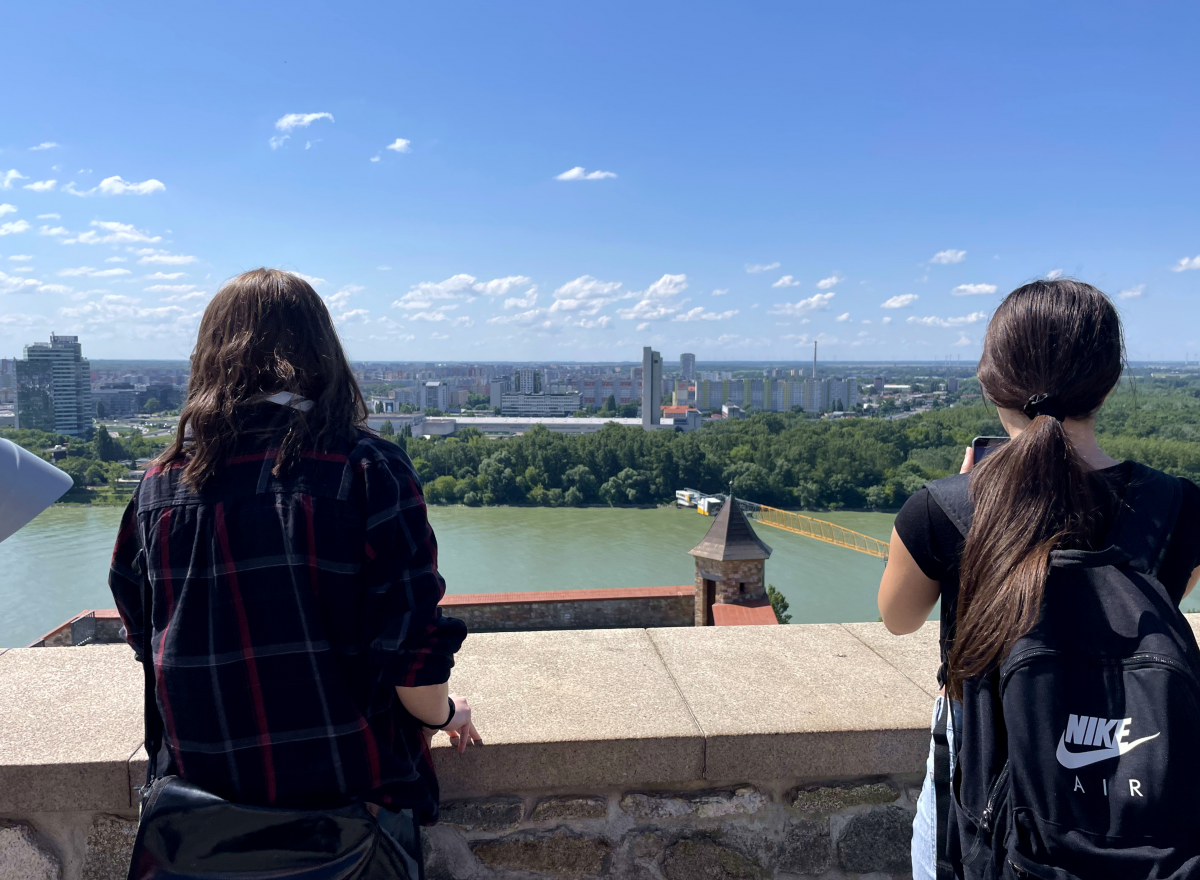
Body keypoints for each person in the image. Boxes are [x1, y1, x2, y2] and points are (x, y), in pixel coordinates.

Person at [108, 268, 479, 877]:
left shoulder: (160, 485)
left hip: (201, 823)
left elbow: (145, 631)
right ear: (321, 351)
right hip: (347, 817)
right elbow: (412, 651)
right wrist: (446, 714)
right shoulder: (366, 468)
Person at [876, 279, 1200, 879]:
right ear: (1107, 382)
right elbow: (1152, 607)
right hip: (1144, 808)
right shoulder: (1181, 507)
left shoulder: (941, 511)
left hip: (992, 794)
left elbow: (897, 620)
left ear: (988, 381)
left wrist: (969, 501)